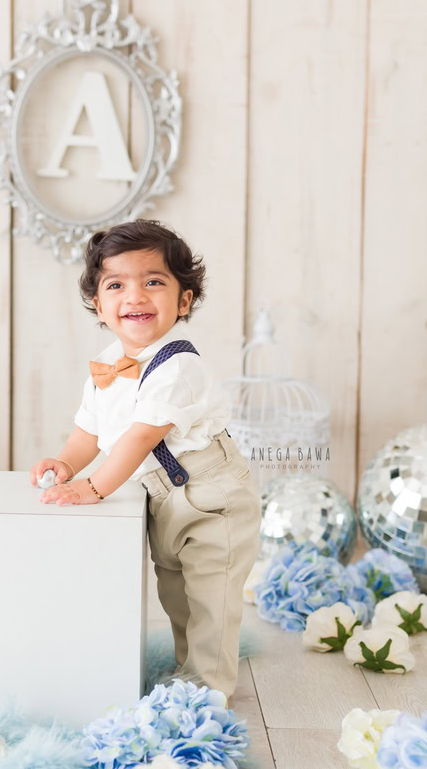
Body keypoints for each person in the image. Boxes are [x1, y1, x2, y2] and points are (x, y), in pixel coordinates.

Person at [28, 219, 260, 698]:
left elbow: (137, 439)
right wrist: (68, 464)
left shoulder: (180, 366)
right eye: (117, 285)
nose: (135, 296)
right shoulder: (108, 365)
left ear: (184, 300)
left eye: (153, 282)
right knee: (177, 595)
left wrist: (92, 487)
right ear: (98, 303)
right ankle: (187, 670)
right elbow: (88, 431)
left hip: (210, 495)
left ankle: (207, 689)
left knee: (211, 598)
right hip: (162, 497)